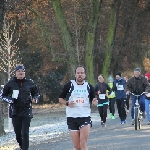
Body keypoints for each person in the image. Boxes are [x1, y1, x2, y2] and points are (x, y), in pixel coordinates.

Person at [0, 64, 40, 150]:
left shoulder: (30, 82)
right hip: (15, 112)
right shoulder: (10, 83)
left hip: (26, 111)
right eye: (19, 71)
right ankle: (22, 147)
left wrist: (35, 99)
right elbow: (2, 95)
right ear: (15, 73)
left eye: (22, 71)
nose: (21, 72)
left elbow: (36, 93)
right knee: (18, 135)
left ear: (24, 72)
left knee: (25, 133)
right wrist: (10, 100)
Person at [59, 66, 97, 150]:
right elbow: (60, 99)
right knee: (77, 147)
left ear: (85, 75)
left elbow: (93, 99)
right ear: (75, 75)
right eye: (78, 73)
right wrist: (67, 103)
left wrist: (94, 102)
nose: (80, 75)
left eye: (82, 73)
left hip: (85, 116)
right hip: (72, 117)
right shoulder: (69, 85)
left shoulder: (89, 87)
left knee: (83, 142)